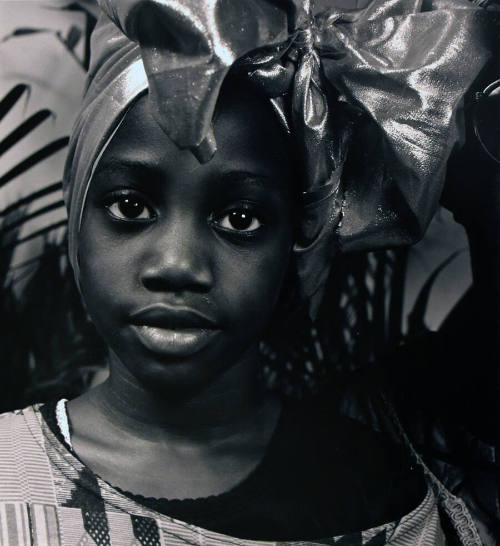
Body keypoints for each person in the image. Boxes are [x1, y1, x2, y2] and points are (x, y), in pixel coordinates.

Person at [0, 0, 498, 544]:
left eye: (240, 218)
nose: (177, 265)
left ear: (297, 241)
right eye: (130, 206)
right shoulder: (9, 475)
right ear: (78, 216)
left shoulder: (385, 498)